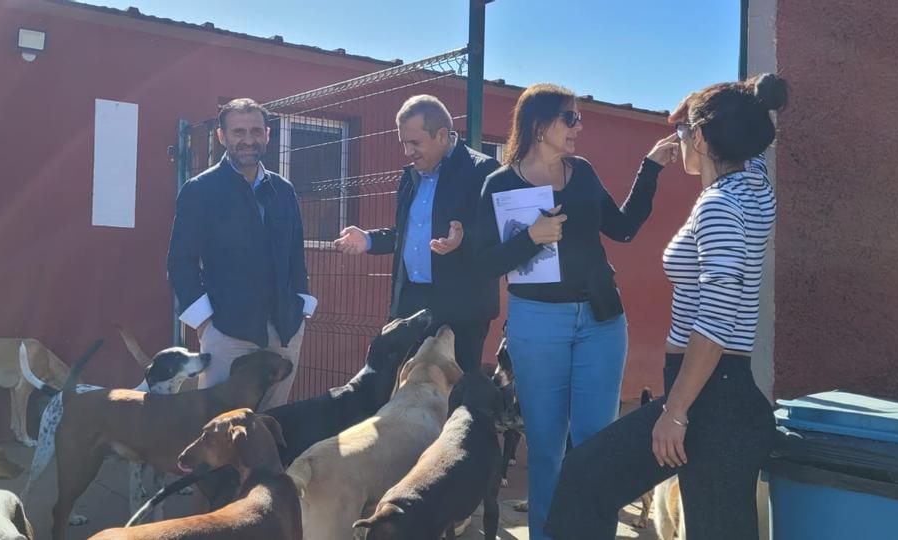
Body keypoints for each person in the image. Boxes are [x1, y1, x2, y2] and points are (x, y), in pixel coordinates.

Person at [544, 73, 789, 540]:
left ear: (700, 136)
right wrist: (712, 108)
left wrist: (675, 413)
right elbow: (746, 133)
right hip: (721, 397)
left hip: (708, 396)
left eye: (684, 132)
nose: (678, 140)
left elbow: (715, 322)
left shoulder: (719, 206)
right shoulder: (756, 186)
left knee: (585, 478)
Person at [473, 83, 676, 540]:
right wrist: (531, 238)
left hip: (601, 322)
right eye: (570, 118)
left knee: (595, 444)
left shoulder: (581, 172)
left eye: (579, 118)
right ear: (538, 124)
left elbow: (622, 229)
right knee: (546, 448)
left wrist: (650, 169)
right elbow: (482, 262)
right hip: (537, 323)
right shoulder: (499, 183)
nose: (578, 127)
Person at [166, 98, 315, 410]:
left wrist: (303, 306)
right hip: (226, 331)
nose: (249, 140)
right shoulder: (199, 190)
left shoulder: (284, 190)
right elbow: (181, 263)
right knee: (219, 428)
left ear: (268, 135)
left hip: (285, 329)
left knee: (271, 423)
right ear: (222, 136)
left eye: (256, 131)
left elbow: (295, 255)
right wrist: (206, 324)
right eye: (239, 132)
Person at [333, 94, 500, 373]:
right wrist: (369, 239)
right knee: (401, 394)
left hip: (461, 313)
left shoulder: (482, 171)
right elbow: (408, 233)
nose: (408, 152)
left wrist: (463, 240)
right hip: (411, 307)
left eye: (415, 143)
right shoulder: (410, 176)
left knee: (451, 401)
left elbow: (498, 236)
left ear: (442, 135)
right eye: (404, 143)